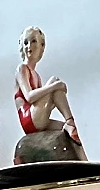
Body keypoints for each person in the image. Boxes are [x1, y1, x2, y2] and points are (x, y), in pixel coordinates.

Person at [15, 27, 87, 161]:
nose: (29, 46)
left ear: (42, 46)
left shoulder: (36, 75)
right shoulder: (22, 69)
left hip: (38, 118)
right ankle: (70, 120)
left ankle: (85, 163)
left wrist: (55, 92)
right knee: (54, 81)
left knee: (68, 131)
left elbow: (45, 103)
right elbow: (30, 97)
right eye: (25, 42)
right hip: (29, 120)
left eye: (33, 41)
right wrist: (54, 86)